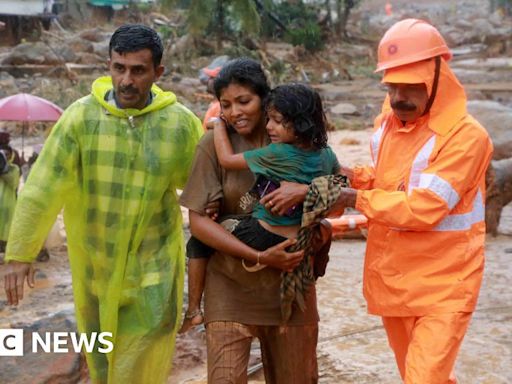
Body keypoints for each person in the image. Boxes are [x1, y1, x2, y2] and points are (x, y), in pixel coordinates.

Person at [3, 24, 203, 384]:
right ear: (108, 65)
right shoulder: (81, 119)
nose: (126, 80)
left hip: (153, 271)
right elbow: (43, 186)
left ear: (159, 72)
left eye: (138, 71)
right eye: (118, 68)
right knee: (101, 364)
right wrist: (20, 253)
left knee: (136, 366)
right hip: (94, 270)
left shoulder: (180, 125)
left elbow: (207, 190)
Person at [325, 19, 493, 383]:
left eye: (411, 87)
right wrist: (347, 174)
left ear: (436, 78)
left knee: (423, 379)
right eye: (392, 86)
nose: (399, 97)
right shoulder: (388, 122)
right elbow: (387, 179)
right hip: (395, 279)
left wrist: (354, 197)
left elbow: (425, 207)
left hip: (445, 286)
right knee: (416, 376)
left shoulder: (466, 137)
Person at [179, 58, 323, 383]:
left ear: (265, 99)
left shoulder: (300, 142)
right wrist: (258, 255)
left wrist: (303, 192)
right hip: (229, 287)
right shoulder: (214, 145)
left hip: (290, 290)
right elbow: (199, 223)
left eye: (244, 101)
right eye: (225, 105)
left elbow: (340, 195)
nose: (235, 112)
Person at [180, 83, 341, 333]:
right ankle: (321, 254)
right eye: (269, 119)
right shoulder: (327, 155)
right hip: (302, 238)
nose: (269, 127)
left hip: (263, 235)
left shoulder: (277, 153)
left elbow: (226, 159)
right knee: (324, 225)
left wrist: (219, 125)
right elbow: (340, 187)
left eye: (276, 121)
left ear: (299, 124)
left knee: (203, 236)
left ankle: (193, 311)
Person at [0, 131, 21, 255]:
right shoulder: (14, 154)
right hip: (9, 199)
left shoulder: (13, 165)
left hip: (8, 199)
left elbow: (13, 180)